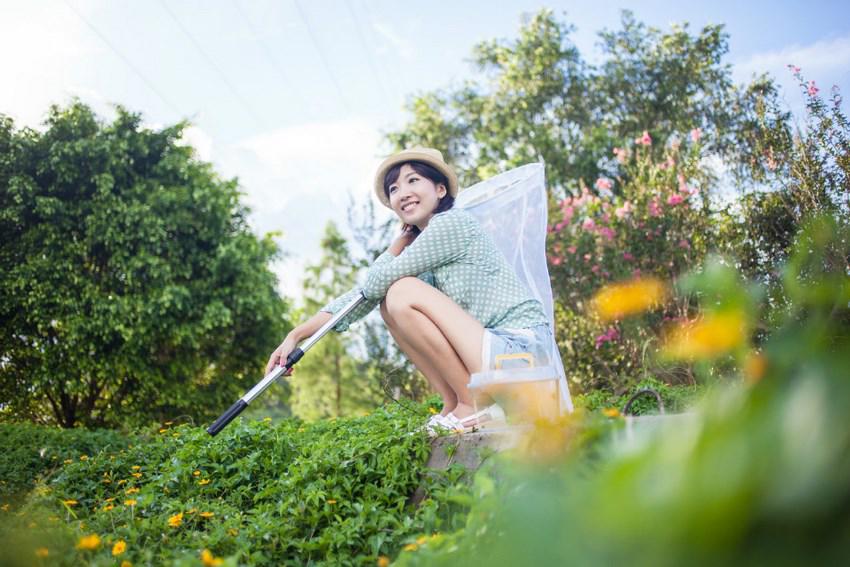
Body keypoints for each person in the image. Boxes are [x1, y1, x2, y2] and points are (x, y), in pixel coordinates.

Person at [266, 147, 553, 434]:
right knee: (389, 303)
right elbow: (364, 297)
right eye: (394, 187)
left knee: (400, 292)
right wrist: (296, 334)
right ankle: (455, 403)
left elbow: (375, 282)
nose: (402, 192)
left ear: (440, 190)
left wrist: (397, 244)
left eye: (413, 180)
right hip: (490, 353)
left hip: (520, 351)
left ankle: (472, 403)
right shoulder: (423, 249)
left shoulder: (451, 223)